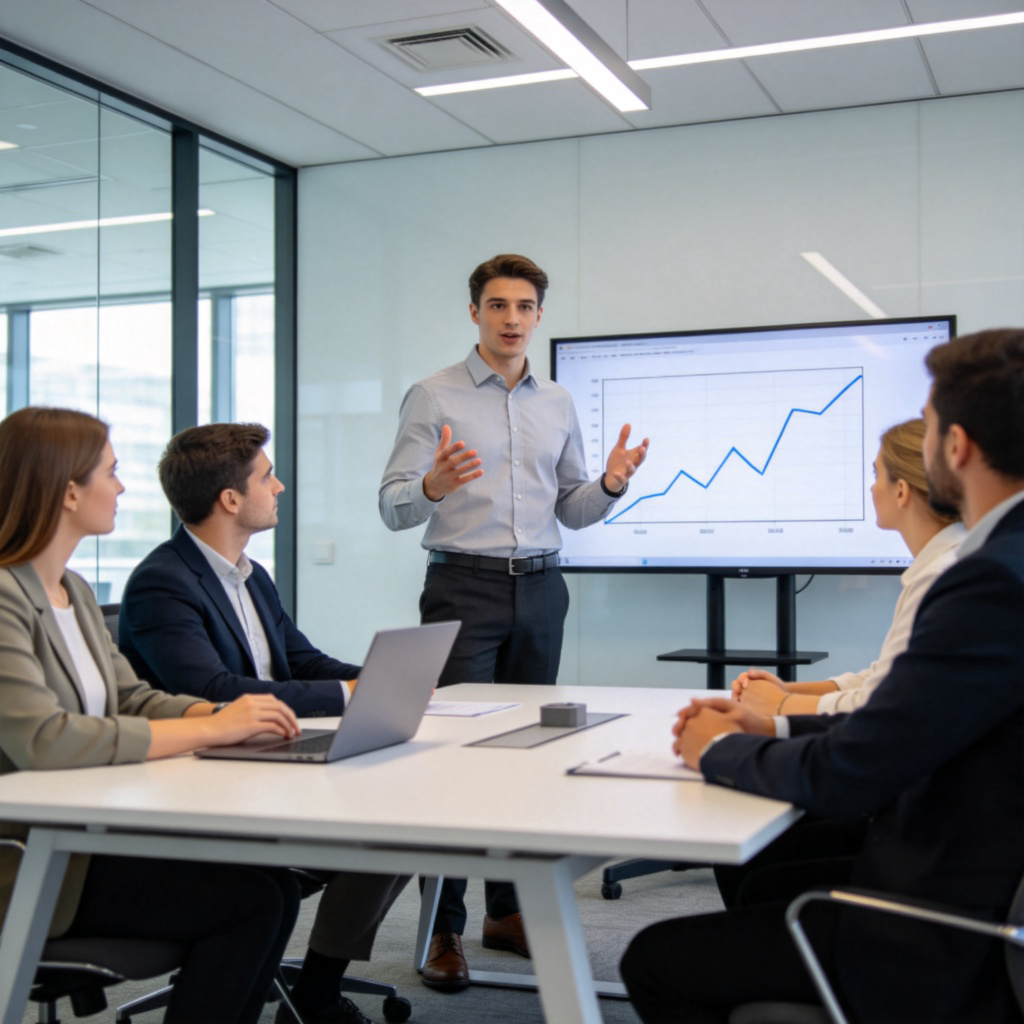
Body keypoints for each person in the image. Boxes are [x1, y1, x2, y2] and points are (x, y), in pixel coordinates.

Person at [620, 328, 1024, 1024]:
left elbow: (859, 769)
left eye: (926, 425)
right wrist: (771, 724)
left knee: (655, 960)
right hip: (968, 880)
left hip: (935, 933)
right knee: (758, 888)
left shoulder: (990, 582)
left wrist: (718, 748)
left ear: (954, 447)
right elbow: (906, 723)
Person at [379, 253, 649, 990]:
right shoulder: (432, 396)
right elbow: (393, 504)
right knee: (455, 760)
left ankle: (507, 914)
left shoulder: (557, 403)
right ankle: (444, 929)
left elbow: (573, 510)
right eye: (496, 305)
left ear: (538, 315)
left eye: (524, 306)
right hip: (462, 588)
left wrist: (612, 484)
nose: (510, 319)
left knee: (525, 754)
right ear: (475, 312)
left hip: (541, 588)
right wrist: (431, 484)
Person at [0, 406, 303, 1024]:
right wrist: (214, 727)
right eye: (110, 473)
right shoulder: (6, 597)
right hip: (30, 859)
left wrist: (226, 712)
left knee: (272, 887)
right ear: (67, 491)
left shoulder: (73, 591)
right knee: (251, 902)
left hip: (86, 835)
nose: (122, 487)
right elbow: (46, 740)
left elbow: (132, 697)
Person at [119, 423, 407, 1024]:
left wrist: (381, 676)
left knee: (408, 818)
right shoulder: (161, 583)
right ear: (230, 499)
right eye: (266, 476)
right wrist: (349, 693)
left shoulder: (250, 573)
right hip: (209, 781)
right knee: (389, 819)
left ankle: (317, 991)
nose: (279, 486)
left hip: (270, 758)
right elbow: (213, 692)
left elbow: (299, 660)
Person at [732, 418, 965, 718]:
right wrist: (785, 689)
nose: (871, 487)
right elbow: (883, 677)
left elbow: (880, 705)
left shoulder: (941, 577)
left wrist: (778, 706)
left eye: (876, 474)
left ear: (901, 491)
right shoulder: (941, 564)